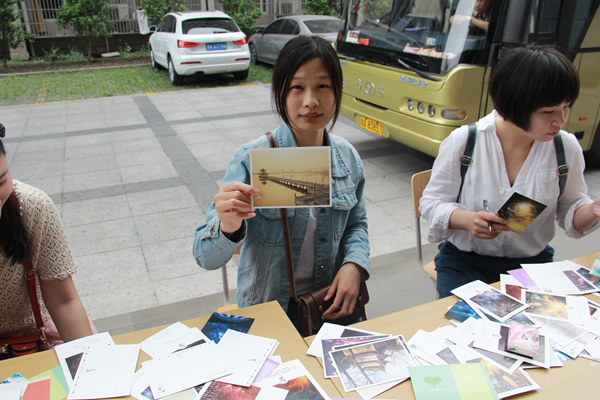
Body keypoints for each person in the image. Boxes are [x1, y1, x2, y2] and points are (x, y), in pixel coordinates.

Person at [193, 36, 370, 322]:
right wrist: (227, 226)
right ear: (281, 93)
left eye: (323, 86)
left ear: (337, 90)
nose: (311, 101)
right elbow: (205, 257)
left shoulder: (347, 157)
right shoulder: (251, 159)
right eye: (297, 87)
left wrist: (355, 265)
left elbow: (356, 225)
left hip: (330, 307)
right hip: (269, 313)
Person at [419, 46, 600, 298]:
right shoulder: (466, 141)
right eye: (548, 112)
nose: (560, 120)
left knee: (543, 321)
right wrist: (468, 220)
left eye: (566, 107)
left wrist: (593, 210)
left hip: (532, 264)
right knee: (466, 320)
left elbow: (571, 210)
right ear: (514, 104)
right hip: (465, 262)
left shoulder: (564, 147)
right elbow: (431, 203)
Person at [0, 124, 94, 349]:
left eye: (1, 181)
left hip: (34, 338)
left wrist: (88, 361)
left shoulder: (32, 207)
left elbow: (63, 301)